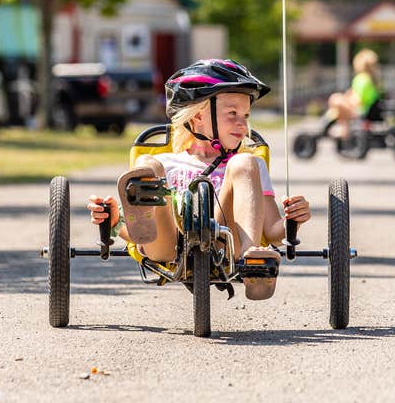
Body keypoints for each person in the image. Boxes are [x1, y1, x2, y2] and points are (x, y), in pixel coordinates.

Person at [86, 59, 311, 301]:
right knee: (148, 166)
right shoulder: (165, 163)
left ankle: (252, 263)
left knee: (244, 162)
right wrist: (114, 221)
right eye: (232, 113)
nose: (243, 124)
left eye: (246, 115)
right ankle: (139, 198)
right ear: (197, 117)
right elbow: (139, 234)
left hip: (228, 246)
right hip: (166, 246)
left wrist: (292, 220)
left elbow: (273, 232)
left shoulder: (249, 167)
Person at [323, 48, 383, 137]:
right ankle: (343, 130)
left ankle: (343, 131)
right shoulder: (375, 80)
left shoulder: (361, 79)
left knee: (335, 99)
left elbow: (357, 100)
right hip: (369, 111)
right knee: (339, 105)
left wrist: (347, 99)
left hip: (361, 111)